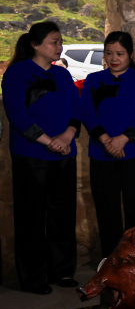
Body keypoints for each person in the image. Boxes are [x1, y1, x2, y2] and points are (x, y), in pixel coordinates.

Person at [1, 21, 81, 294]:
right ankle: (33, 277)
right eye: (54, 42)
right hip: (31, 155)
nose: (59, 47)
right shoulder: (17, 73)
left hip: (64, 154)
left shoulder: (62, 74)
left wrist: (67, 136)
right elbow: (17, 115)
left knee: (63, 214)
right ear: (35, 45)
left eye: (60, 42)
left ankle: (62, 271)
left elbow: (76, 109)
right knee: (31, 216)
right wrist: (50, 141)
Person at [81, 32, 135, 257]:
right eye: (109, 53)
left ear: (130, 55)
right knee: (106, 211)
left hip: (134, 154)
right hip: (101, 154)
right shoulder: (93, 80)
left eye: (120, 54)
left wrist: (122, 139)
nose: (114, 58)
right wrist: (106, 140)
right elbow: (87, 112)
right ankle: (111, 261)